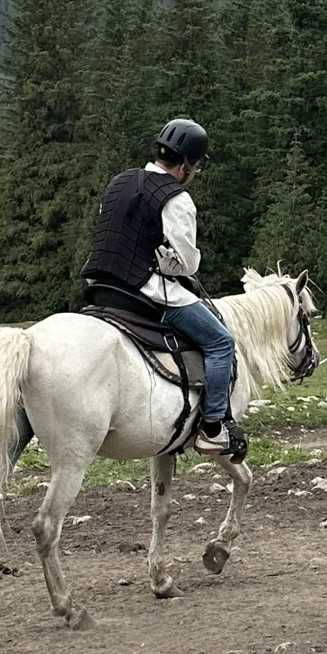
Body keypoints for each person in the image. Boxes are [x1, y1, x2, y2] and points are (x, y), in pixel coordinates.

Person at [81, 118, 245, 457]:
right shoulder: (177, 198)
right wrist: (164, 260)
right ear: (185, 165)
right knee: (220, 341)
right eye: (195, 167)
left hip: (98, 283)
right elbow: (186, 263)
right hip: (144, 288)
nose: (194, 173)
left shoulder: (120, 181)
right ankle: (213, 428)